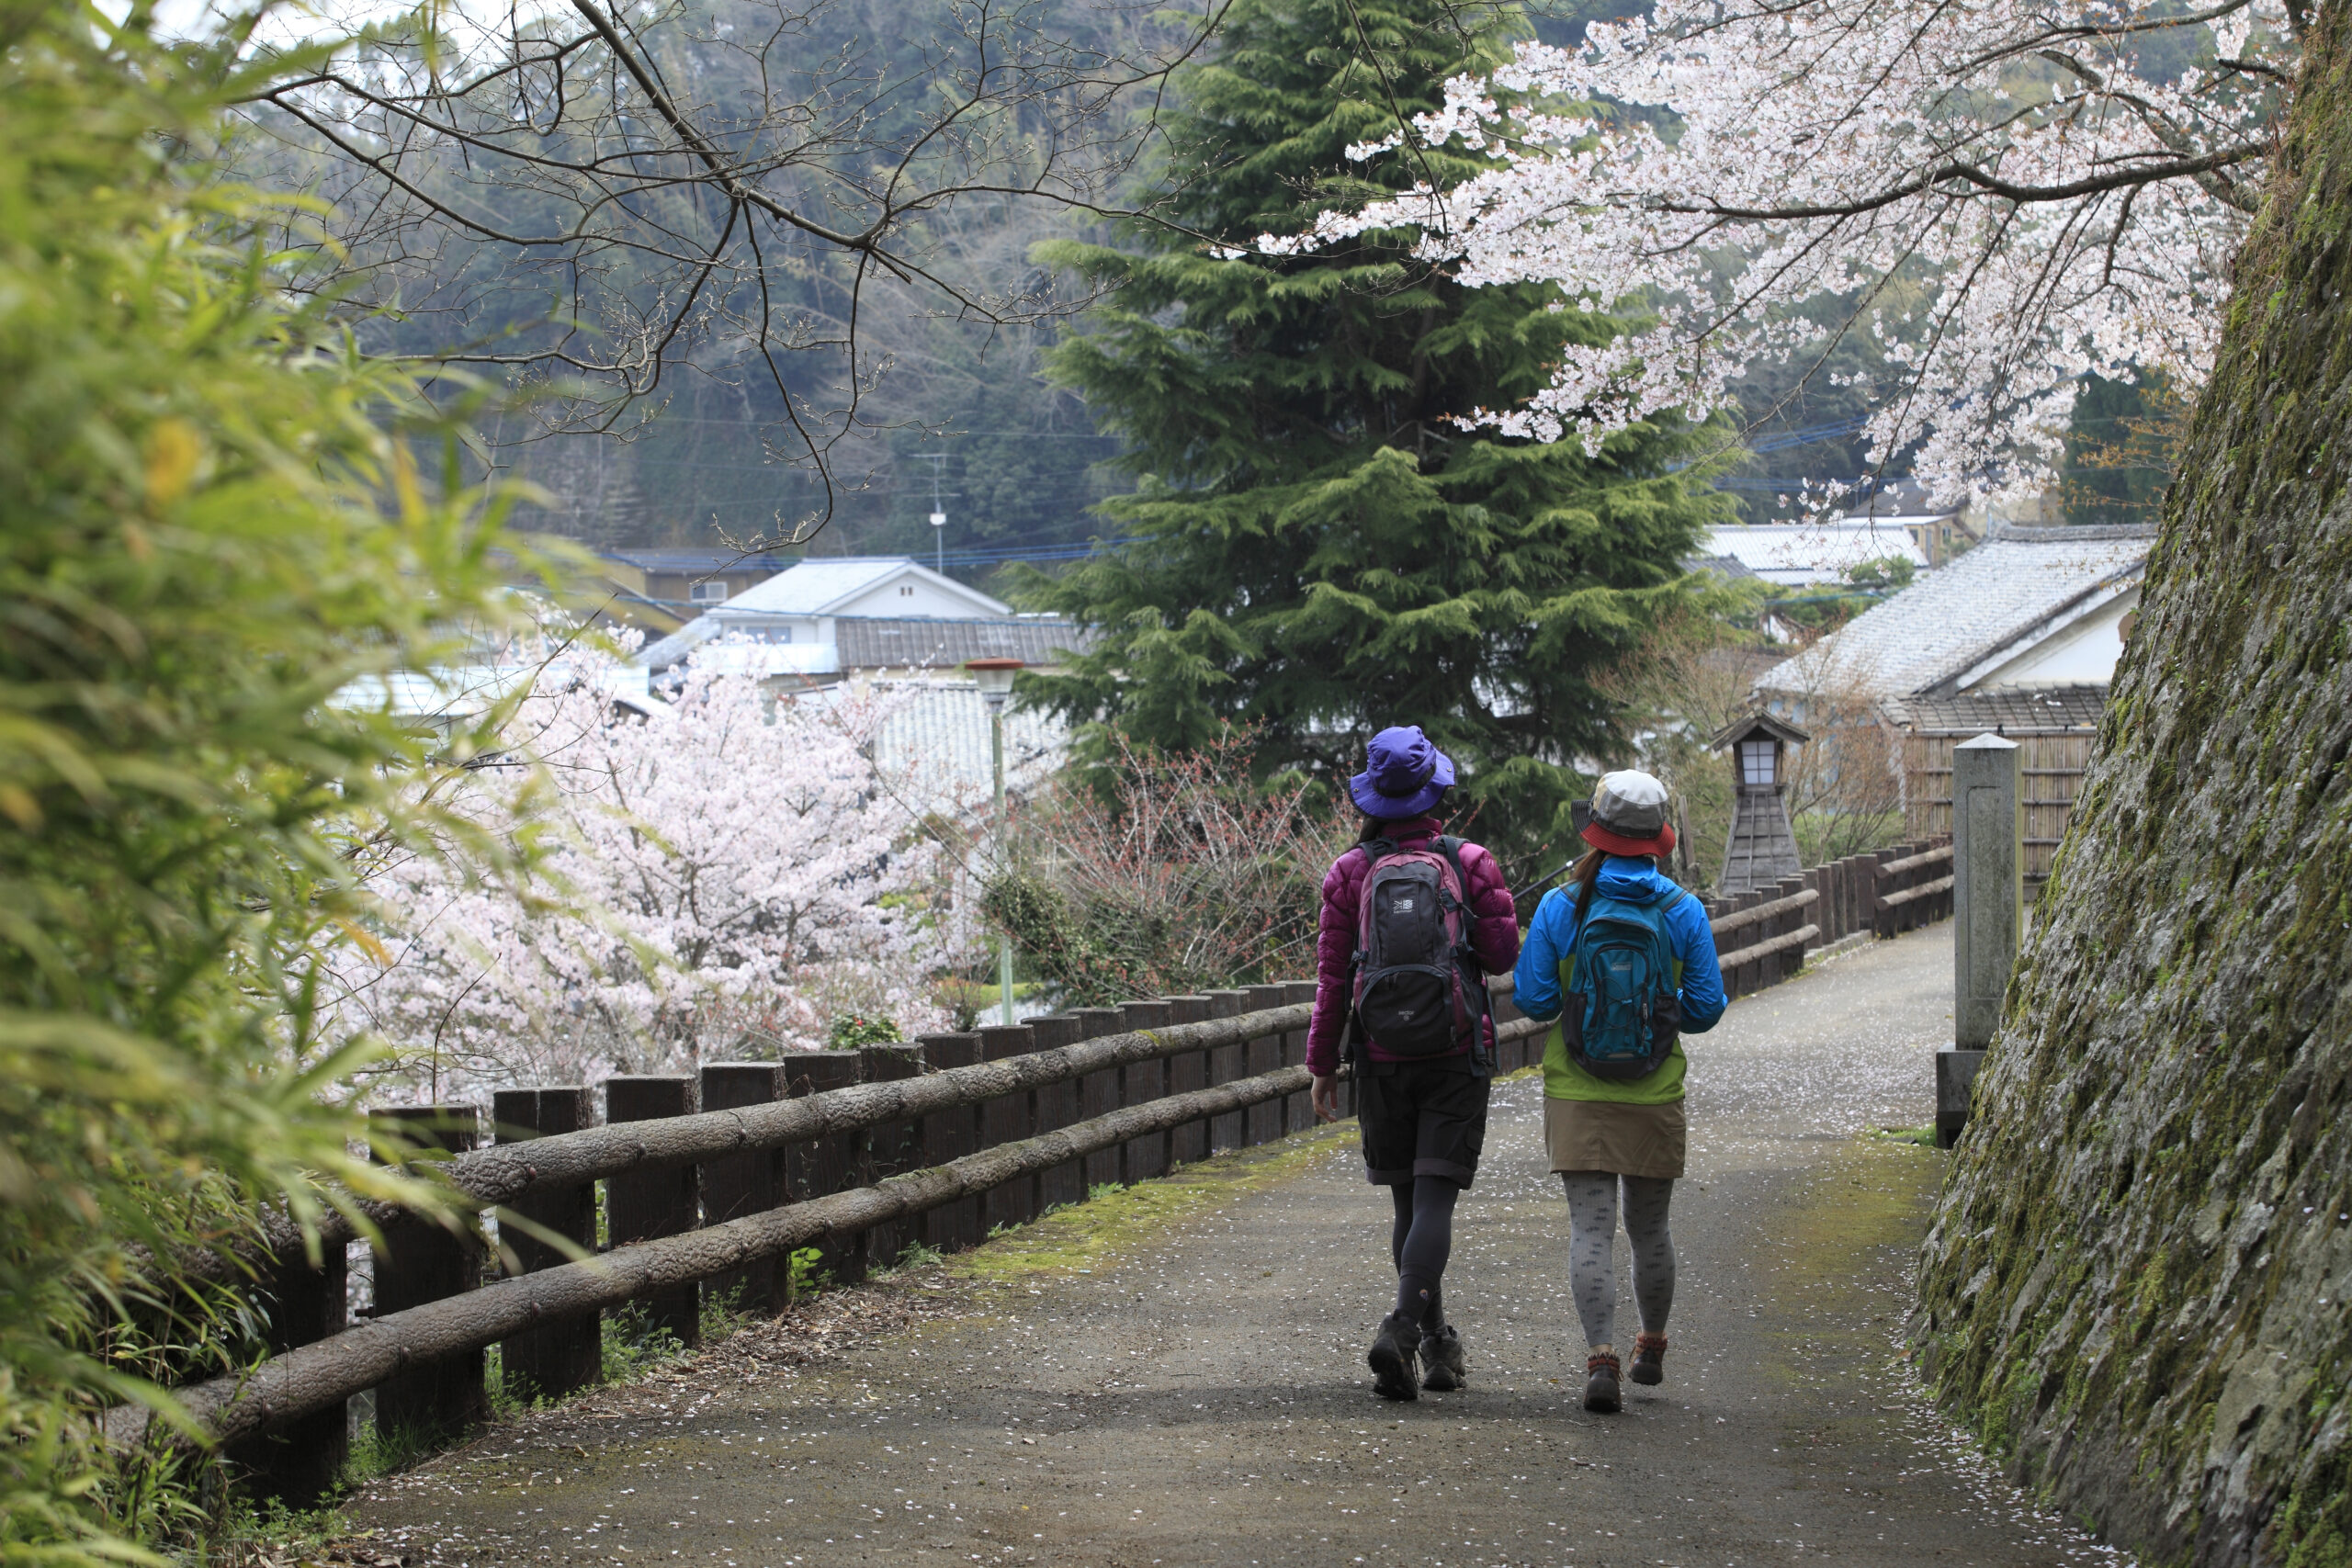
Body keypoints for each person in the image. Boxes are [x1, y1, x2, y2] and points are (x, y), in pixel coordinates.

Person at [1306, 725, 1520, 1401]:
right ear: (1436, 791)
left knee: (1409, 1201)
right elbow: (1502, 955)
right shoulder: (1470, 860)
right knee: (1434, 1199)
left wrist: (1321, 1064)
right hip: (1455, 1051)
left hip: (1381, 1057)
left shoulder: (1349, 872)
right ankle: (1406, 1330)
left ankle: (1435, 1344)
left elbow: (1333, 979)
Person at [1512, 769, 1726, 1413]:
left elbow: (1533, 997)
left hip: (1577, 1090)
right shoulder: (1681, 910)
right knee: (1651, 1228)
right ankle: (1652, 1343)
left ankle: (1600, 1356)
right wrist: (1658, 1016)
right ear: (1660, 837)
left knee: (1591, 1228)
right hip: (1655, 1090)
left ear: (1596, 831)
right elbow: (1706, 1007)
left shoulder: (1561, 905)